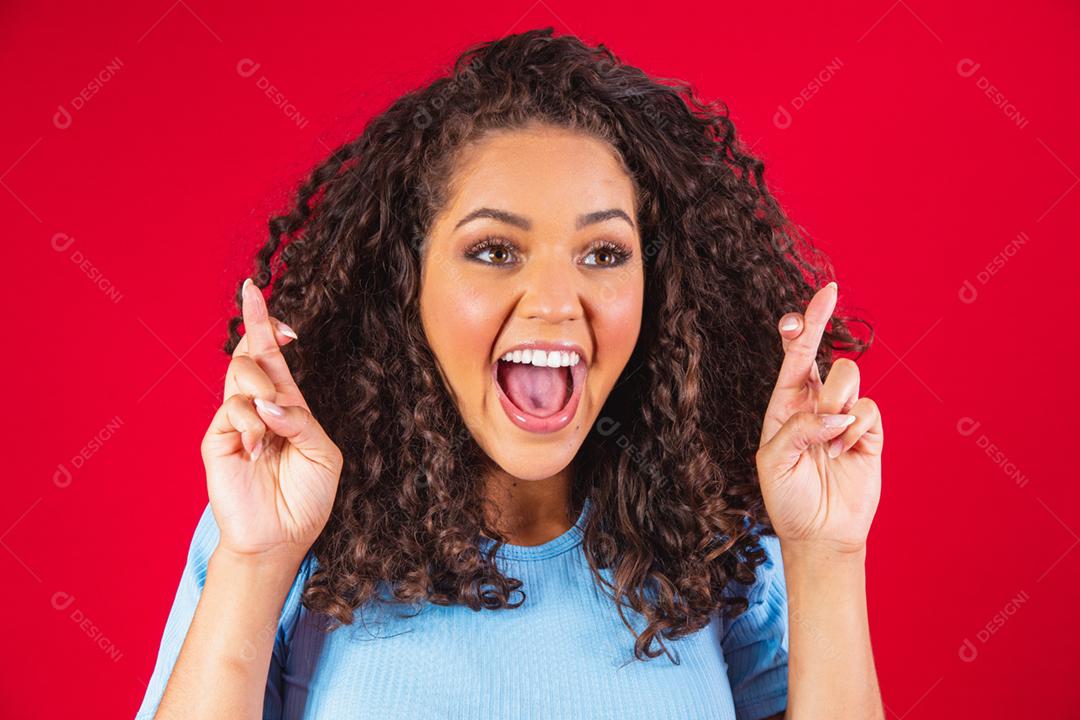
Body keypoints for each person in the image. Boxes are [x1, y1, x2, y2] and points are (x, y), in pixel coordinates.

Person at [136, 28, 884, 719]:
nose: (558, 303)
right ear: (406, 282)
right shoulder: (280, 527)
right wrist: (258, 559)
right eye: (495, 251)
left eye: (604, 254)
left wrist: (826, 553)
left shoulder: (720, 545)